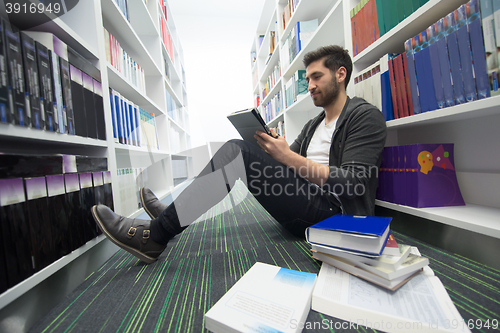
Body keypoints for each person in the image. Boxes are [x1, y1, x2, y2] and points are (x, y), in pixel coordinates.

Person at [91, 45, 387, 264]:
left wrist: (287, 157)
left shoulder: (365, 117)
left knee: (235, 151)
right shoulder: (314, 125)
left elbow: (353, 183)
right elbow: (289, 164)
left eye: (316, 77)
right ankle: (174, 211)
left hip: (335, 216)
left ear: (341, 74)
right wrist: (272, 147)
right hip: (306, 200)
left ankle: (153, 237)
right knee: (238, 150)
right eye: (307, 78)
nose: (309, 86)